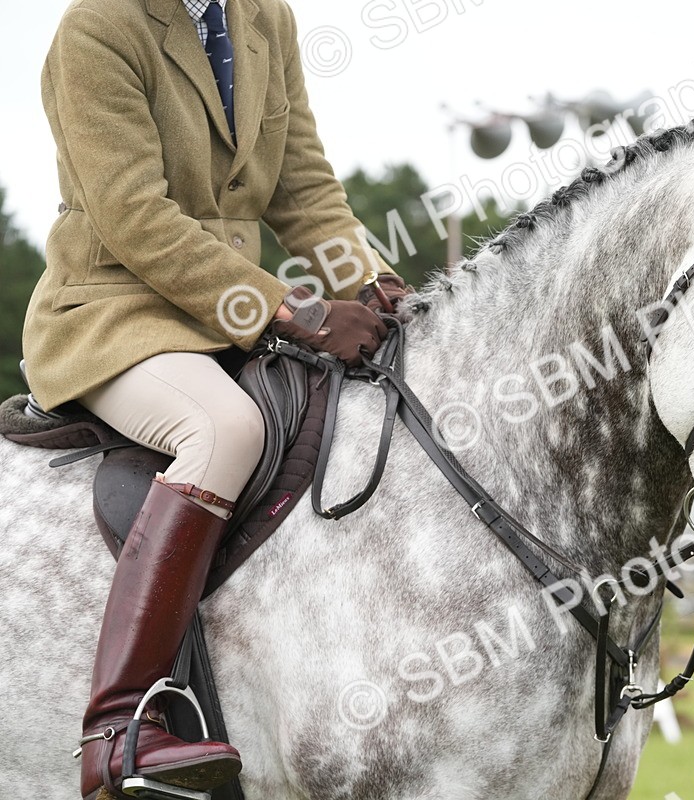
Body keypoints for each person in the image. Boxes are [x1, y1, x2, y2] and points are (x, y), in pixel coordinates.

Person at [24, 1, 410, 796]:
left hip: (227, 322)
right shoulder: (97, 27)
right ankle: (119, 727)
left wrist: (372, 287)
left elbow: (302, 186)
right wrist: (297, 312)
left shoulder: (264, 16)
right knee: (224, 428)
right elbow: (135, 218)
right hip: (113, 314)